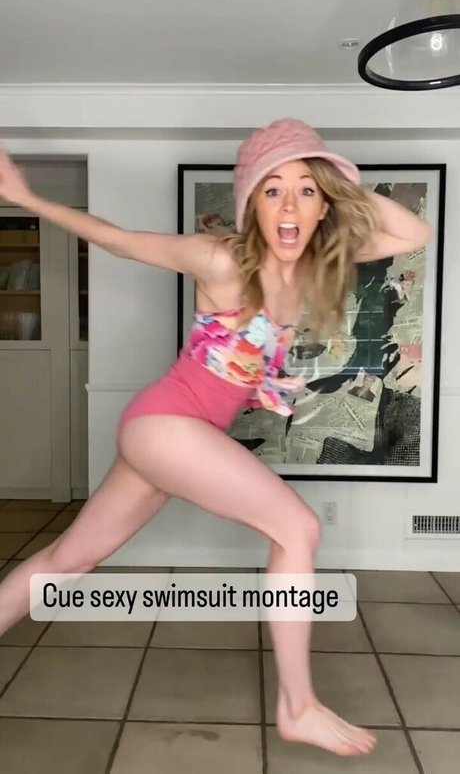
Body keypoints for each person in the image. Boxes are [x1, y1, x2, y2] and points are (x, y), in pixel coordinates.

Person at [0, 118, 432, 756]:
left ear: (325, 206)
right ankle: (298, 706)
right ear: (252, 205)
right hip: (164, 424)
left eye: (305, 191)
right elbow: (120, 241)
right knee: (298, 529)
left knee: (68, 561)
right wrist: (26, 199)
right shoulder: (223, 259)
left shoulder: (316, 265)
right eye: (272, 190)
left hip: (178, 436)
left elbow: (415, 233)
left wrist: (338, 183)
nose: (289, 206)